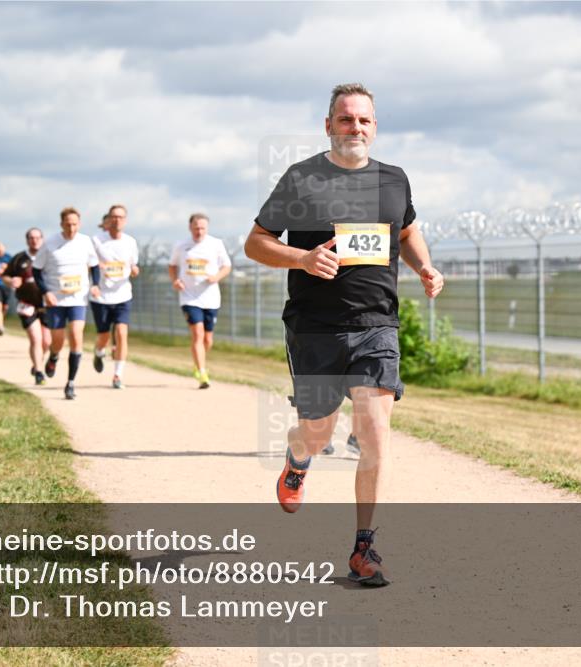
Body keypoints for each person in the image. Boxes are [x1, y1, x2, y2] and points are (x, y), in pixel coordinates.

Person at [245, 83, 444, 587]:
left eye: (365, 120)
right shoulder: (301, 178)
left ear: (375, 127)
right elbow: (256, 243)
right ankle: (298, 459)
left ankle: (364, 547)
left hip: (377, 325)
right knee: (316, 429)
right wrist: (303, 258)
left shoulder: (394, 180)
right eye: (346, 119)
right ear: (328, 124)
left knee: (375, 431)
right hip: (313, 329)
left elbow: (406, 231)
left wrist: (425, 267)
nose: (355, 128)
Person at [33, 207, 100, 400]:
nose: (71, 228)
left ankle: (70, 383)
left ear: (79, 224)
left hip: (78, 298)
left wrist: (95, 284)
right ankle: (54, 356)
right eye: (68, 224)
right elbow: (37, 271)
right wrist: (46, 292)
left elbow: (94, 265)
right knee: (58, 340)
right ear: (61, 224)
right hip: (56, 299)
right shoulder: (50, 243)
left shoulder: (86, 242)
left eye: (75, 224)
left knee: (76, 336)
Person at [168, 213, 232, 389]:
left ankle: (198, 362)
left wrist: (216, 276)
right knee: (197, 333)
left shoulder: (216, 244)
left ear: (207, 228)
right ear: (190, 228)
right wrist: (175, 280)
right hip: (189, 296)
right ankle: (202, 373)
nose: (199, 231)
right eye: (196, 228)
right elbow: (172, 266)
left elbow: (227, 266)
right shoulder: (181, 246)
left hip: (211, 298)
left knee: (208, 340)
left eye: (203, 228)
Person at [90, 205, 139, 389]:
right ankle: (99, 351)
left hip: (122, 295)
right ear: (108, 220)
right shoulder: (96, 241)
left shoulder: (130, 242)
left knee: (121, 333)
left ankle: (118, 375)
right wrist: (96, 271)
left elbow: (133, 265)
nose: (117, 220)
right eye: (113, 217)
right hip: (101, 296)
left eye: (120, 217)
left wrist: (134, 270)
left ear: (125, 220)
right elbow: (87, 264)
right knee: (103, 336)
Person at [2, 227, 51, 385]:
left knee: (47, 342)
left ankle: (36, 363)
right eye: (31, 237)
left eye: (37, 237)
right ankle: (38, 371)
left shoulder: (49, 256)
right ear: (27, 240)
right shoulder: (19, 259)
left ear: (42, 239)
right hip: (26, 304)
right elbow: (5, 276)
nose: (34, 240)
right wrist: (11, 281)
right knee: (36, 339)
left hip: (46, 305)